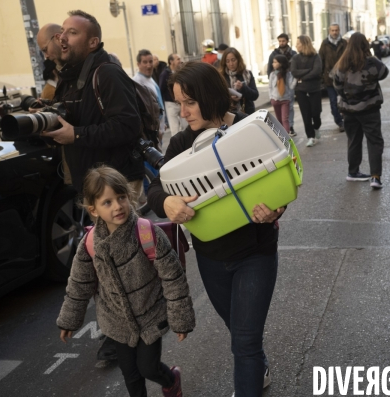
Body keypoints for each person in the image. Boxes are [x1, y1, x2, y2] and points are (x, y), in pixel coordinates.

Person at [147, 61, 282, 397]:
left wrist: (278, 207)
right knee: (238, 331)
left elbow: (281, 172)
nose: (183, 112)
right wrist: (166, 203)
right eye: (179, 104)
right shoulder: (180, 143)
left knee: (245, 342)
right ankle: (258, 367)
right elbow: (155, 187)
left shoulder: (251, 129)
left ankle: (251, 375)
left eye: (189, 103)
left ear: (209, 97)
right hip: (210, 257)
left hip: (255, 253)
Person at [57, 165, 194, 397]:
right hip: (117, 322)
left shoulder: (146, 233)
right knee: (131, 375)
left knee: (148, 367)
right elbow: (79, 283)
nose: (118, 206)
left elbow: (173, 277)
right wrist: (69, 319)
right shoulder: (90, 243)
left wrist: (181, 319)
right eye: (107, 202)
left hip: (150, 315)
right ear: (94, 209)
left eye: (121, 197)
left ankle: (171, 379)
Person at [44, 10, 144, 202]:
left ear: (92, 43)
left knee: (126, 233)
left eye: (72, 33)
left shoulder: (107, 73)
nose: (62, 38)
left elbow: (127, 126)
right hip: (92, 184)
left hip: (117, 185)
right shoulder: (69, 78)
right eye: (62, 32)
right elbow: (78, 118)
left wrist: (77, 135)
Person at [330, 32, 388, 189]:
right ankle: (375, 177)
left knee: (354, 140)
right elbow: (384, 73)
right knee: (374, 141)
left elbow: (337, 84)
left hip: (349, 110)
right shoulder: (372, 62)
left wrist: (348, 97)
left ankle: (353, 172)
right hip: (370, 108)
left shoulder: (342, 64)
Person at [291, 35, 323, 147]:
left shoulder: (315, 56)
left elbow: (317, 71)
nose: (296, 45)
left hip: (314, 88)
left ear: (304, 44)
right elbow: (294, 71)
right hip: (301, 90)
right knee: (306, 114)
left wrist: (303, 76)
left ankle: (317, 127)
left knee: (316, 112)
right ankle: (310, 136)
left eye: (298, 43)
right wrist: (309, 71)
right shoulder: (295, 58)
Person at [268, 33, 297, 136]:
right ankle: (282, 135)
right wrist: (271, 98)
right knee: (279, 119)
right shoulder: (273, 73)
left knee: (286, 117)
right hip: (275, 99)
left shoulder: (292, 54)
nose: (281, 43)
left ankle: (288, 131)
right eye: (279, 41)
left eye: (283, 41)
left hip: (286, 97)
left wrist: (296, 78)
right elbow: (270, 86)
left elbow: (291, 85)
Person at [319, 24, 347, 132]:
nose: (334, 32)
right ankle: (339, 122)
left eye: (336, 30)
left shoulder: (344, 43)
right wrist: (321, 77)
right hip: (329, 79)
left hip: (343, 78)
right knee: (333, 102)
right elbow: (321, 60)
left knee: (345, 100)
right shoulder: (325, 44)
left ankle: (346, 119)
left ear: (339, 30)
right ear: (329, 31)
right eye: (332, 30)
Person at [133, 49, 166, 140]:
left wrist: (163, 124)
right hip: (152, 132)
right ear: (138, 64)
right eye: (145, 62)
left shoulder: (149, 78)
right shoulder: (137, 82)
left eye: (150, 61)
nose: (149, 65)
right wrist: (155, 128)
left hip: (158, 128)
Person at [219, 47, 259, 114]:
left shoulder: (247, 74)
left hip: (247, 112)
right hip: (230, 114)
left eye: (233, 60)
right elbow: (217, 98)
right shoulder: (222, 76)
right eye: (227, 61)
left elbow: (255, 95)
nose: (231, 64)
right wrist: (230, 98)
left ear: (238, 60)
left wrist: (243, 88)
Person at [160, 53, 188, 134]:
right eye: (178, 59)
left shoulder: (181, 72)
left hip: (182, 103)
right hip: (171, 104)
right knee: (174, 128)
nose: (180, 61)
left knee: (186, 125)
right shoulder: (165, 74)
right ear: (171, 61)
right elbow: (161, 89)